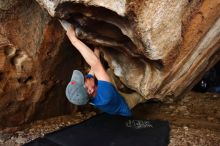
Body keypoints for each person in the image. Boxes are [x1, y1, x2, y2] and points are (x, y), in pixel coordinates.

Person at [60, 20, 132, 117]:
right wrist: (73, 40)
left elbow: (93, 68)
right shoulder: (105, 95)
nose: (86, 76)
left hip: (112, 100)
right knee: (140, 97)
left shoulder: (87, 96)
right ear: (90, 90)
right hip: (124, 106)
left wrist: (96, 49)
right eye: (84, 79)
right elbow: (96, 63)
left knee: (108, 72)